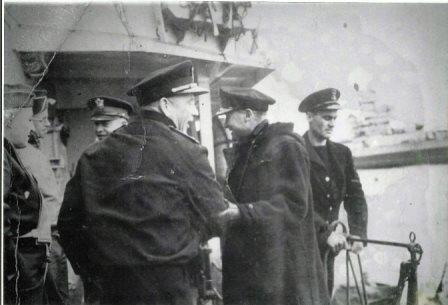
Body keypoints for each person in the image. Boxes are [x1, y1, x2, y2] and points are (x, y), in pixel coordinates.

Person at [58, 60, 228, 305]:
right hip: (169, 287)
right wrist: (183, 236)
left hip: (111, 287)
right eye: (189, 103)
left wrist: (92, 272)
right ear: (166, 105)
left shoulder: (94, 154)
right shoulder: (188, 151)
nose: (192, 111)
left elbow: (69, 224)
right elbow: (217, 217)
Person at [216, 87, 330, 305]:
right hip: (259, 271)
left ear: (248, 115)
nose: (225, 124)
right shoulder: (247, 149)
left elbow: (294, 205)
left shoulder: (286, 145)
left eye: (227, 116)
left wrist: (242, 212)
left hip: (283, 274)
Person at [299, 88, 368, 294]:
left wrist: (357, 233)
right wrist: (325, 233)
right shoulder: (296, 152)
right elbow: (293, 203)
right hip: (302, 247)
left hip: (330, 249)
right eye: (326, 117)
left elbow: (355, 197)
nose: (332, 123)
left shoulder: (342, 154)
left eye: (334, 118)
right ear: (310, 116)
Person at [16, 91, 70, 305]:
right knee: (55, 296)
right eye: (40, 120)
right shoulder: (29, 156)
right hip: (44, 240)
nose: (46, 124)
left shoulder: (34, 153)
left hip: (45, 239)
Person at [3, 85, 48, 305]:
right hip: (17, 266)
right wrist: (12, 274)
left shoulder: (9, 151)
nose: (31, 128)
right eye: (28, 120)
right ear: (9, 120)